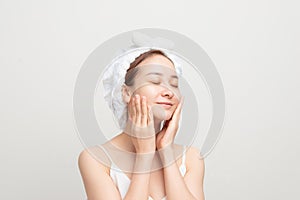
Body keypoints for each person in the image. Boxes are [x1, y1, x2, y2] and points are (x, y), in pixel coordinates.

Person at [78, 49, 205, 200]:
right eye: (155, 81)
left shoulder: (191, 158)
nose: (169, 92)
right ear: (126, 93)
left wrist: (167, 152)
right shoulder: (96, 160)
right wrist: (144, 155)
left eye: (174, 84)